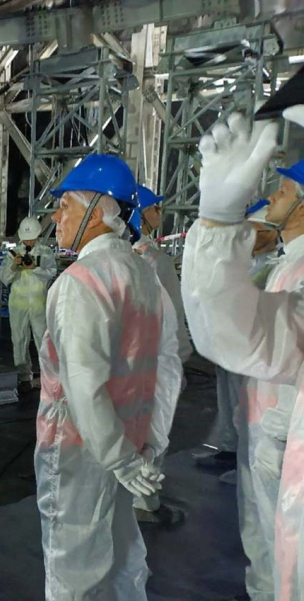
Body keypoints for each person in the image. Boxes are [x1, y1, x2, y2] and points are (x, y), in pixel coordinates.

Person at [36, 154, 183, 600]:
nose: (56, 218)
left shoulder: (81, 282)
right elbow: (168, 366)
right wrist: (150, 446)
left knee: (72, 567)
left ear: (98, 212)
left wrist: (120, 459)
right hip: (131, 441)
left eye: (65, 207)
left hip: (81, 451)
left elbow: (83, 387)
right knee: (122, 559)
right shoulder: (145, 275)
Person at [180, 109, 304, 601]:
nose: (273, 196)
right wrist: (217, 224)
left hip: (279, 430)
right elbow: (239, 333)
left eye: (285, 190)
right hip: (272, 429)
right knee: (269, 541)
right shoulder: (286, 268)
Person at [198, 200, 279, 477]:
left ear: (269, 232)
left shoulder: (273, 267)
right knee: (230, 402)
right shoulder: (249, 264)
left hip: (251, 353)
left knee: (246, 408)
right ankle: (230, 450)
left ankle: (242, 461)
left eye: (253, 230)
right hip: (230, 348)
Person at [130, 185, 194, 524]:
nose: (160, 213)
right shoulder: (157, 260)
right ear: (142, 213)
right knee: (155, 431)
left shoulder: (120, 257)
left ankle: (129, 493)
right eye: (156, 208)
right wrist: (181, 360)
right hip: (156, 360)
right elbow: (174, 317)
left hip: (126, 362)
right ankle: (147, 501)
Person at [0, 216, 57, 396]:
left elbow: (52, 273)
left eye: (31, 238)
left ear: (38, 235)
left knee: (43, 340)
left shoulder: (45, 252)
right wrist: (13, 267)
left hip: (39, 303)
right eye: (26, 238)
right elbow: (3, 278)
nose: (28, 241)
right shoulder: (13, 254)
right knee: (19, 339)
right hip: (18, 305)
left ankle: (48, 377)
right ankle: (24, 377)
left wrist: (34, 268)